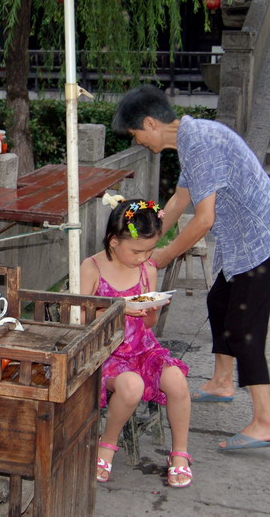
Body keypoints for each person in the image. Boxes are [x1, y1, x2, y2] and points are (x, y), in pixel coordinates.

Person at [112, 85, 270, 451]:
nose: (140, 142)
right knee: (218, 303)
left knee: (244, 325)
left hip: (263, 238)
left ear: (150, 123)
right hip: (244, 240)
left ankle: (266, 420)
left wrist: (162, 256)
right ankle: (222, 382)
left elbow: (204, 219)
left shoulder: (199, 142)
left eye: (136, 134)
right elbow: (181, 198)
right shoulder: (190, 138)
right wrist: (146, 232)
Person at [81, 196, 192, 488]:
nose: (143, 258)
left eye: (150, 250)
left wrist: (151, 310)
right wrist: (118, 308)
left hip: (143, 348)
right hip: (106, 353)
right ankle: (106, 446)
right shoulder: (91, 268)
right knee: (131, 386)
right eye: (137, 251)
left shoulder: (147, 271)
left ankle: (179, 453)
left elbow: (148, 326)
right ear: (113, 241)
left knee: (178, 380)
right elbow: (78, 320)